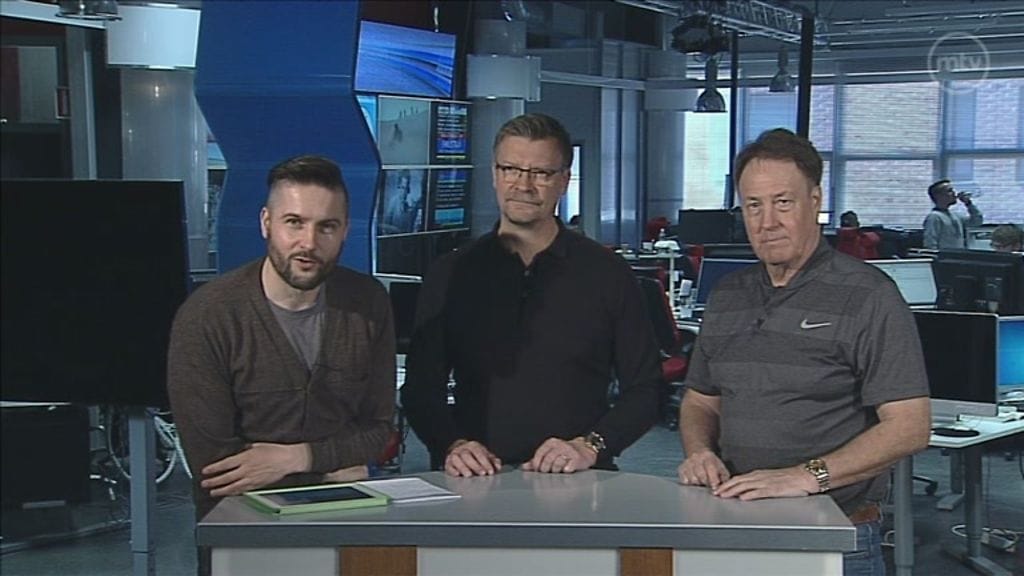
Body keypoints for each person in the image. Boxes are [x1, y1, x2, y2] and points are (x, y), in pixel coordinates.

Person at [676, 129, 931, 575]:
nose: (767, 222)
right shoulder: (727, 294)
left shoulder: (869, 295)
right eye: (753, 205)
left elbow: (909, 427)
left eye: (783, 202)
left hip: (833, 534)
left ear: (815, 202)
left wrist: (806, 476)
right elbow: (700, 402)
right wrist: (699, 451)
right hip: (732, 524)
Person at [402, 113, 661, 477]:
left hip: (579, 477)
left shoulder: (607, 273)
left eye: (540, 173)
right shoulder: (450, 273)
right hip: (474, 477)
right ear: (494, 174)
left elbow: (647, 389)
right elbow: (420, 389)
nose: (523, 185)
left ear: (564, 181)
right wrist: (452, 445)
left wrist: (591, 445)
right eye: (511, 169)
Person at [167, 155, 396, 523]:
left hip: (347, 517)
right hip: (240, 527)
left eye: (326, 226)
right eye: (294, 223)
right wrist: (331, 469)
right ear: (266, 223)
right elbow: (216, 467)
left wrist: (297, 459)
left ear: (345, 231)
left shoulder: (368, 302)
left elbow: (378, 431)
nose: (309, 243)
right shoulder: (208, 316)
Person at [922, 179, 983, 249]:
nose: (954, 193)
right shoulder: (934, 217)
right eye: (950, 191)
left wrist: (968, 203)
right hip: (945, 255)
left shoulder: (956, 216)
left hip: (959, 254)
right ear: (939, 196)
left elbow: (976, 221)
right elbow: (930, 242)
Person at [382, 169, 423, 234]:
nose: (404, 192)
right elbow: (386, 224)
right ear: (398, 187)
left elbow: (415, 226)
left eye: (406, 188)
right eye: (402, 187)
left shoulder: (412, 203)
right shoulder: (393, 202)